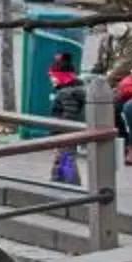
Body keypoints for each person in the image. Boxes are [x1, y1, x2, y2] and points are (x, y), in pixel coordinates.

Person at [51, 51, 88, 185]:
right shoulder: (76, 89)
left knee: (66, 158)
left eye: (53, 76)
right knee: (62, 158)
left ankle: (72, 185)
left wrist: (59, 132)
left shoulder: (65, 93)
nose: (51, 79)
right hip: (68, 133)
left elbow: (69, 115)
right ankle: (56, 182)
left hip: (66, 134)